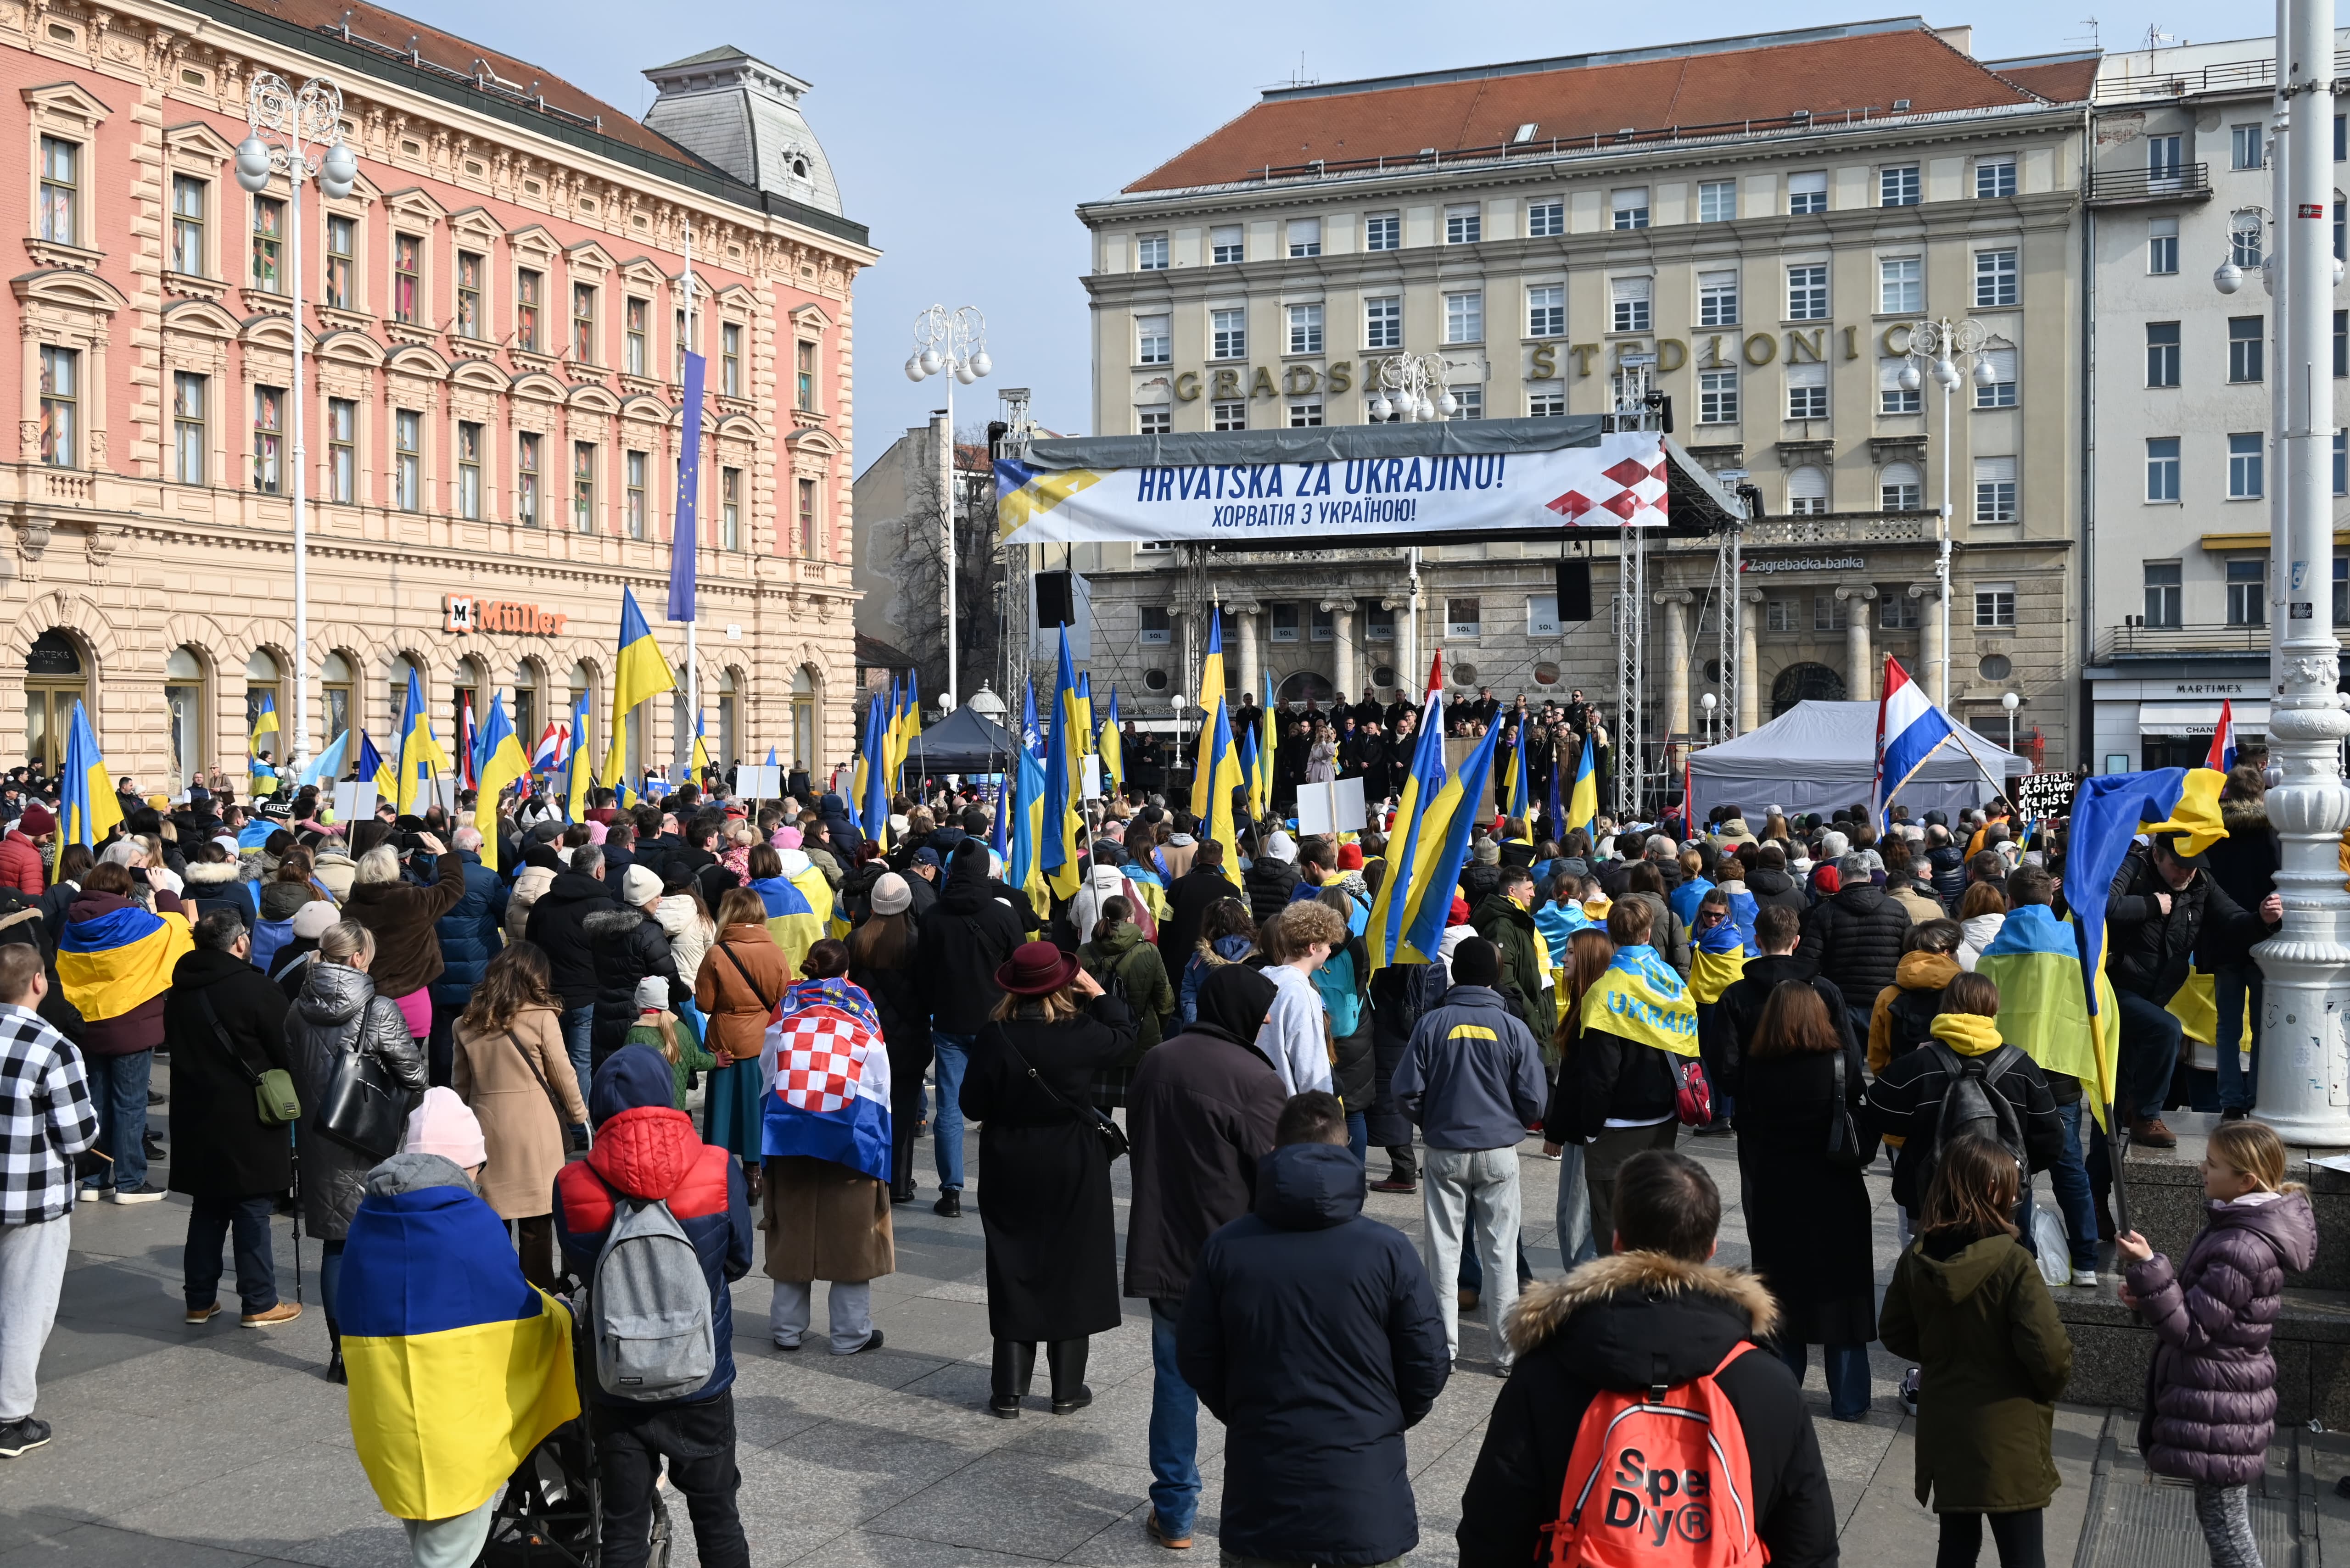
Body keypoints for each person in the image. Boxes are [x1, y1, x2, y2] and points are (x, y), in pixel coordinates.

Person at [1456, 1149, 1839, 1566]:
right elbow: (1810, 1547)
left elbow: (1490, 1534)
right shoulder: (1769, 1384)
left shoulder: (1545, 1373)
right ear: (1711, 1247)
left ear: (1618, 1240)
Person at [1177, 1089, 1446, 1562]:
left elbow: (1198, 1355)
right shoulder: (1388, 1250)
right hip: (1365, 1499)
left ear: (1275, 1151)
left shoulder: (1225, 1248)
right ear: (1345, 1151)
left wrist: (1245, 1412)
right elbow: (1426, 1359)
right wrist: (1382, 1419)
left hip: (1261, 1493)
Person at [341, 1093, 579, 1568]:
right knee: (448, 1556)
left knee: (430, 1541)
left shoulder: (367, 1219)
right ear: (468, 1162)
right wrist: (563, 1313)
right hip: (456, 1434)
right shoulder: (468, 1219)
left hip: (389, 1424)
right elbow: (518, 1313)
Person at [553, 1045, 754, 1568]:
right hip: (701, 1376)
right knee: (716, 1515)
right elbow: (737, 1262)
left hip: (617, 1380)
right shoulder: (716, 1166)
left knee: (622, 1527)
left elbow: (581, 1268)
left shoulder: (573, 1183)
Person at [1122, 964, 1284, 1550]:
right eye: (1262, 1009)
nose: (1268, 1019)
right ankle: (1258, 1504)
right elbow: (1277, 1173)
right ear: (1240, 1012)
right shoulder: (1254, 1080)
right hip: (1235, 1256)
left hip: (1165, 1245)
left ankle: (1176, 1513)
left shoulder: (1156, 1060)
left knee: (1173, 1379)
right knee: (1255, 1384)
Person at [2116, 1119, 2316, 1568]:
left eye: (2211, 1164)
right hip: (2224, 1395)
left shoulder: (2241, 1245)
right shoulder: (2238, 1227)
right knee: (2221, 1520)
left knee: (2227, 1530)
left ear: (2245, 1179)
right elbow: (2197, 1309)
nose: (2201, 1170)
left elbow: (2191, 1329)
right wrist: (2149, 1291)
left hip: (2222, 1404)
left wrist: (2149, 1267)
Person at [1879, 1133, 2073, 1568]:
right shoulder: (2014, 1262)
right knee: (2023, 1554)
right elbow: (2051, 1354)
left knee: (1956, 1548)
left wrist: (1942, 1352)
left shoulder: (1919, 1255)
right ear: (1994, 1192)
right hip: (2010, 1431)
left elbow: (1893, 1330)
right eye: (2013, 1183)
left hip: (1946, 1426)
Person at [961, 940, 1135, 1417]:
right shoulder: (1081, 1032)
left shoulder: (996, 1036)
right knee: (1071, 1265)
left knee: (1012, 1264)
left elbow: (970, 1106)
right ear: (1062, 985)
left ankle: (1008, 1391)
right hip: (1071, 1159)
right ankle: (1065, 1390)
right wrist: (1097, 991)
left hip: (1009, 1160)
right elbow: (1125, 1036)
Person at [1392, 936, 1547, 1374]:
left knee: (1443, 1250)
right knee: (1501, 1253)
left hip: (1444, 1149)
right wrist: (1508, 1118)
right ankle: (1507, 1354)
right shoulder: (1513, 1027)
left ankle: (1445, 1348)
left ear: (1456, 973)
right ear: (1497, 976)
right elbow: (1535, 1100)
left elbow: (1405, 1090)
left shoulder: (1432, 1023)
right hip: (1499, 1151)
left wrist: (1430, 1118)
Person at [288, 920, 427, 1381]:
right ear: (357, 959)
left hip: (320, 1135)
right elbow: (415, 1075)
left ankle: (341, 1353)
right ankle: (382, 1344)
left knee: (336, 1245)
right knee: (384, 1241)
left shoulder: (297, 1007)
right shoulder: (379, 1008)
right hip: (371, 1138)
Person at [1735, 979, 1878, 1422]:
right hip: (1837, 1189)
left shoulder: (1756, 1068)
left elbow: (1749, 1130)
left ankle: (1780, 1390)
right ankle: (1850, 1397)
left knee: (1781, 1296)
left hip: (1779, 1192)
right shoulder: (1838, 1063)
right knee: (1844, 1296)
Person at [164, 908, 300, 1328]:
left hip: (195, 1112)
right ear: (240, 942)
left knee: (207, 1207)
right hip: (247, 1115)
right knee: (251, 1207)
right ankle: (259, 1300)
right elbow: (287, 1049)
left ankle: (199, 1299)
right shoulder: (255, 988)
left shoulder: (179, 989)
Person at [2103, 832, 2278, 1149]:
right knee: (2167, 1029)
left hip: (2153, 994)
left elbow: (2232, 919)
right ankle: (2146, 1115)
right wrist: (2151, 905)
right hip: (2114, 988)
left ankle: (2105, 1177)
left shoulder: (2200, 883)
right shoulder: (2135, 867)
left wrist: (2262, 920)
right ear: (2157, 855)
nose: (2185, 873)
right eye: (2178, 866)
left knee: (2117, 1094)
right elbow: (2102, 903)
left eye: (2193, 867)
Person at [1865, 972, 2065, 1229]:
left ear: (1946, 1006)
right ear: (1992, 1009)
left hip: (1929, 1197)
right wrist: (2009, 1171)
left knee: (1926, 1263)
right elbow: (2052, 1139)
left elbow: (1878, 1113)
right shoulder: (2022, 1067)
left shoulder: (1919, 1063)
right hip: (2003, 1199)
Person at [0, 942, 95, 1456]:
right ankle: (9, 1417)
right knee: (25, 1304)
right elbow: (79, 1135)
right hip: (32, 1194)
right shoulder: (53, 1047)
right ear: (38, 982)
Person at [451, 942, 587, 1290]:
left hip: (488, 1133)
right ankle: (539, 1296)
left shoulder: (466, 1024)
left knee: (494, 1222)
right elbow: (563, 1074)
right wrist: (578, 1114)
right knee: (537, 1226)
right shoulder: (542, 1018)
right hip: (535, 1134)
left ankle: (498, 1292)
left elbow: (460, 1088)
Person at [1554, 899, 1686, 1252]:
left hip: (1617, 1126)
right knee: (1652, 1217)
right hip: (1664, 1118)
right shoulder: (1671, 981)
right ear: (1647, 933)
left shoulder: (1603, 991)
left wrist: (1592, 1127)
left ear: (1611, 936)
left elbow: (1601, 1073)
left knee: (1613, 1228)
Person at [918, 839, 1026, 1219]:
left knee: (948, 1107)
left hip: (949, 1021)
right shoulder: (1004, 915)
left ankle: (951, 1191)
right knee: (1003, 1105)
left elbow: (924, 973)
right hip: (997, 1023)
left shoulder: (933, 916)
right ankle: (1004, 1184)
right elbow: (1021, 969)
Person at [698, 886, 790, 1198]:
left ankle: (716, 1173)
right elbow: (782, 998)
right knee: (755, 1105)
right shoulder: (774, 950)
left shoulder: (717, 953)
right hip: (761, 1036)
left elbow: (705, 1003)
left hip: (726, 1036)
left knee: (721, 1108)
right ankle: (754, 1174)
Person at [846, 872, 932, 1205]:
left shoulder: (855, 941)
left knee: (865, 1108)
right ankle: (897, 1183)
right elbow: (926, 996)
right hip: (908, 1040)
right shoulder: (916, 942)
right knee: (905, 1113)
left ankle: (868, 1175)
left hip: (865, 1040)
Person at [341, 834, 468, 1049]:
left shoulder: (350, 908)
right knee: (410, 1074)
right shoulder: (414, 900)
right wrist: (443, 854)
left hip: (364, 1000)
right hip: (411, 999)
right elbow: (453, 886)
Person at [2205, 766, 2280, 1119]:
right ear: (2260, 794)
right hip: (2264, 936)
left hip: (2224, 938)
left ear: (2228, 792)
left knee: (2228, 1026)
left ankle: (2231, 1101)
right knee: (2263, 1025)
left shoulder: (2214, 830)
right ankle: (2259, 1095)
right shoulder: (2273, 831)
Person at [523, 844, 619, 1105]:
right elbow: (613, 953)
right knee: (580, 1063)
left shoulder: (544, 902)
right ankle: (580, 1125)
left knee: (552, 1061)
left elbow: (530, 945)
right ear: (600, 871)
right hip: (587, 995)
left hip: (549, 994)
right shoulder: (604, 905)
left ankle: (562, 1120)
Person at [1798, 852, 1913, 1043]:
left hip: (1841, 1002)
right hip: (1885, 1000)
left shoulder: (1825, 913)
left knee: (1848, 1065)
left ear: (1840, 876)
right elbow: (1910, 957)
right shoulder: (1897, 910)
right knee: (1884, 1064)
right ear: (1869, 878)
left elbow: (1808, 961)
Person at [426, 825, 506, 1089]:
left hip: (441, 964)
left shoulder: (435, 874)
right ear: (477, 848)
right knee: (481, 1026)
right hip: (480, 967)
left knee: (443, 1029)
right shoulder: (487, 877)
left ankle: (440, 1087)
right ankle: (480, 1083)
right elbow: (504, 911)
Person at [1076, 893, 1174, 1107]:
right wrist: (1158, 1030)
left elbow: (1072, 1001)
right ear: (1130, 918)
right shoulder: (1149, 951)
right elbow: (1165, 1001)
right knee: (1139, 1111)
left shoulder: (1084, 952)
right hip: (1140, 1042)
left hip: (1097, 1042)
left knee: (1098, 1116)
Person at [1256, 900, 1343, 1096]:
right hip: (1290, 1113)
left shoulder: (1263, 978)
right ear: (1313, 948)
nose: (1330, 951)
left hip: (1257, 1103)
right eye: (1328, 944)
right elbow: (1312, 1072)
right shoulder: (1303, 995)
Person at [1471, 865, 1550, 1041]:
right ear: (1512, 891)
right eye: (1529, 889)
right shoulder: (1503, 925)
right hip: (1524, 1013)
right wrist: (1530, 1010)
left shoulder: (1519, 918)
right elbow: (1504, 977)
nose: (1533, 894)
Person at [1176, 896, 1256, 1028]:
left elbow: (1189, 998)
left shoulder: (1198, 960)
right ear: (1244, 922)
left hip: (1202, 1034)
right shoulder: (1257, 960)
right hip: (1242, 1038)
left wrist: (1197, 1028)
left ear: (1209, 926)